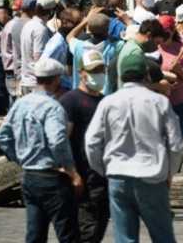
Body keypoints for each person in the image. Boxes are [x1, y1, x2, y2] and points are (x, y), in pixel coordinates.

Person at [84, 47, 183, 243]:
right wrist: (169, 173)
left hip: (118, 176)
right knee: (163, 235)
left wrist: (104, 169)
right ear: (147, 75)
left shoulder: (108, 102)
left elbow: (92, 142)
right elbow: (175, 146)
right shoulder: (160, 102)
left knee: (125, 237)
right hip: (152, 176)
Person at [0, 58, 82, 243]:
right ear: (56, 79)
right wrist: (71, 171)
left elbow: (2, 136)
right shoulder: (53, 107)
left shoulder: (21, 103)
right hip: (52, 177)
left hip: (29, 176)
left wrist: (19, 158)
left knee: (35, 234)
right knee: (67, 234)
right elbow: (57, 140)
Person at [59, 50, 110, 242]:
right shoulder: (70, 101)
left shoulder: (105, 101)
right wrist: (72, 173)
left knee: (98, 227)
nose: (98, 74)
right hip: (82, 178)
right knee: (87, 230)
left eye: (101, 70)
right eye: (93, 70)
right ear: (81, 72)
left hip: (101, 177)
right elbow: (62, 140)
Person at [157, 15, 183, 137]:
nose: (163, 36)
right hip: (158, 103)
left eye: (166, 32)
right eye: (160, 32)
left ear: (173, 30)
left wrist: (181, 71)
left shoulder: (182, 50)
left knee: (175, 143)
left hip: (178, 104)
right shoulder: (153, 48)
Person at [19, 0, 56, 95]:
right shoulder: (40, 29)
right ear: (51, 12)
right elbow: (39, 59)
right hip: (35, 84)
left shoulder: (29, 25)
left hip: (27, 81)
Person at [116, 19, 168, 84]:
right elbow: (133, 86)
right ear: (149, 36)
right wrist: (159, 86)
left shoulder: (131, 46)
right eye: (157, 43)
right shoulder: (135, 53)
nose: (156, 48)